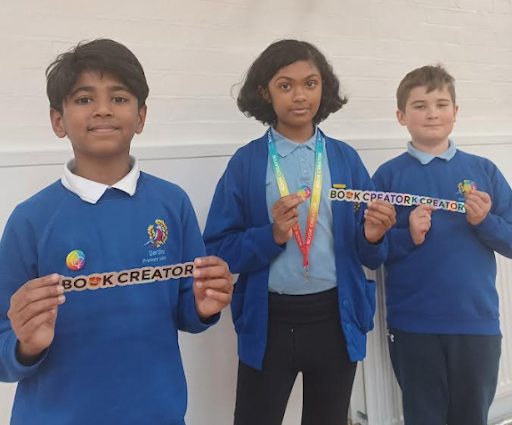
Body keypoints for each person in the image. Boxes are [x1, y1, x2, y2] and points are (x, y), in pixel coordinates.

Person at [0, 39, 233, 425]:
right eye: (84, 99)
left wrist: (204, 306)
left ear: (141, 117)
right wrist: (26, 345)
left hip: (157, 414)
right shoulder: (30, 221)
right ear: (58, 120)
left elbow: (187, 312)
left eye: (120, 98)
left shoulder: (172, 204)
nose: (103, 109)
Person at [203, 39, 395, 425]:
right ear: (265, 93)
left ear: (324, 89)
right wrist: (271, 235)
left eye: (310, 83)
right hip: (270, 321)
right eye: (284, 85)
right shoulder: (247, 163)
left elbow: (371, 254)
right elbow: (219, 249)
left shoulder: (345, 159)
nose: (300, 96)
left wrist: (373, 235)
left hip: (335, 319)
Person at [372, 64, 512, 425]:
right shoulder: (387, 176)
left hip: (476, 324)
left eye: (441, 103)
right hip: (413, 327)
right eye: (419, 105)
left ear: (456, 112)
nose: (432, 113)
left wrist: (486, 223)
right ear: (401, 116)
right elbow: (368, 250)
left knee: (471, 418)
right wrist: (408, 236)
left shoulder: (484, 171)